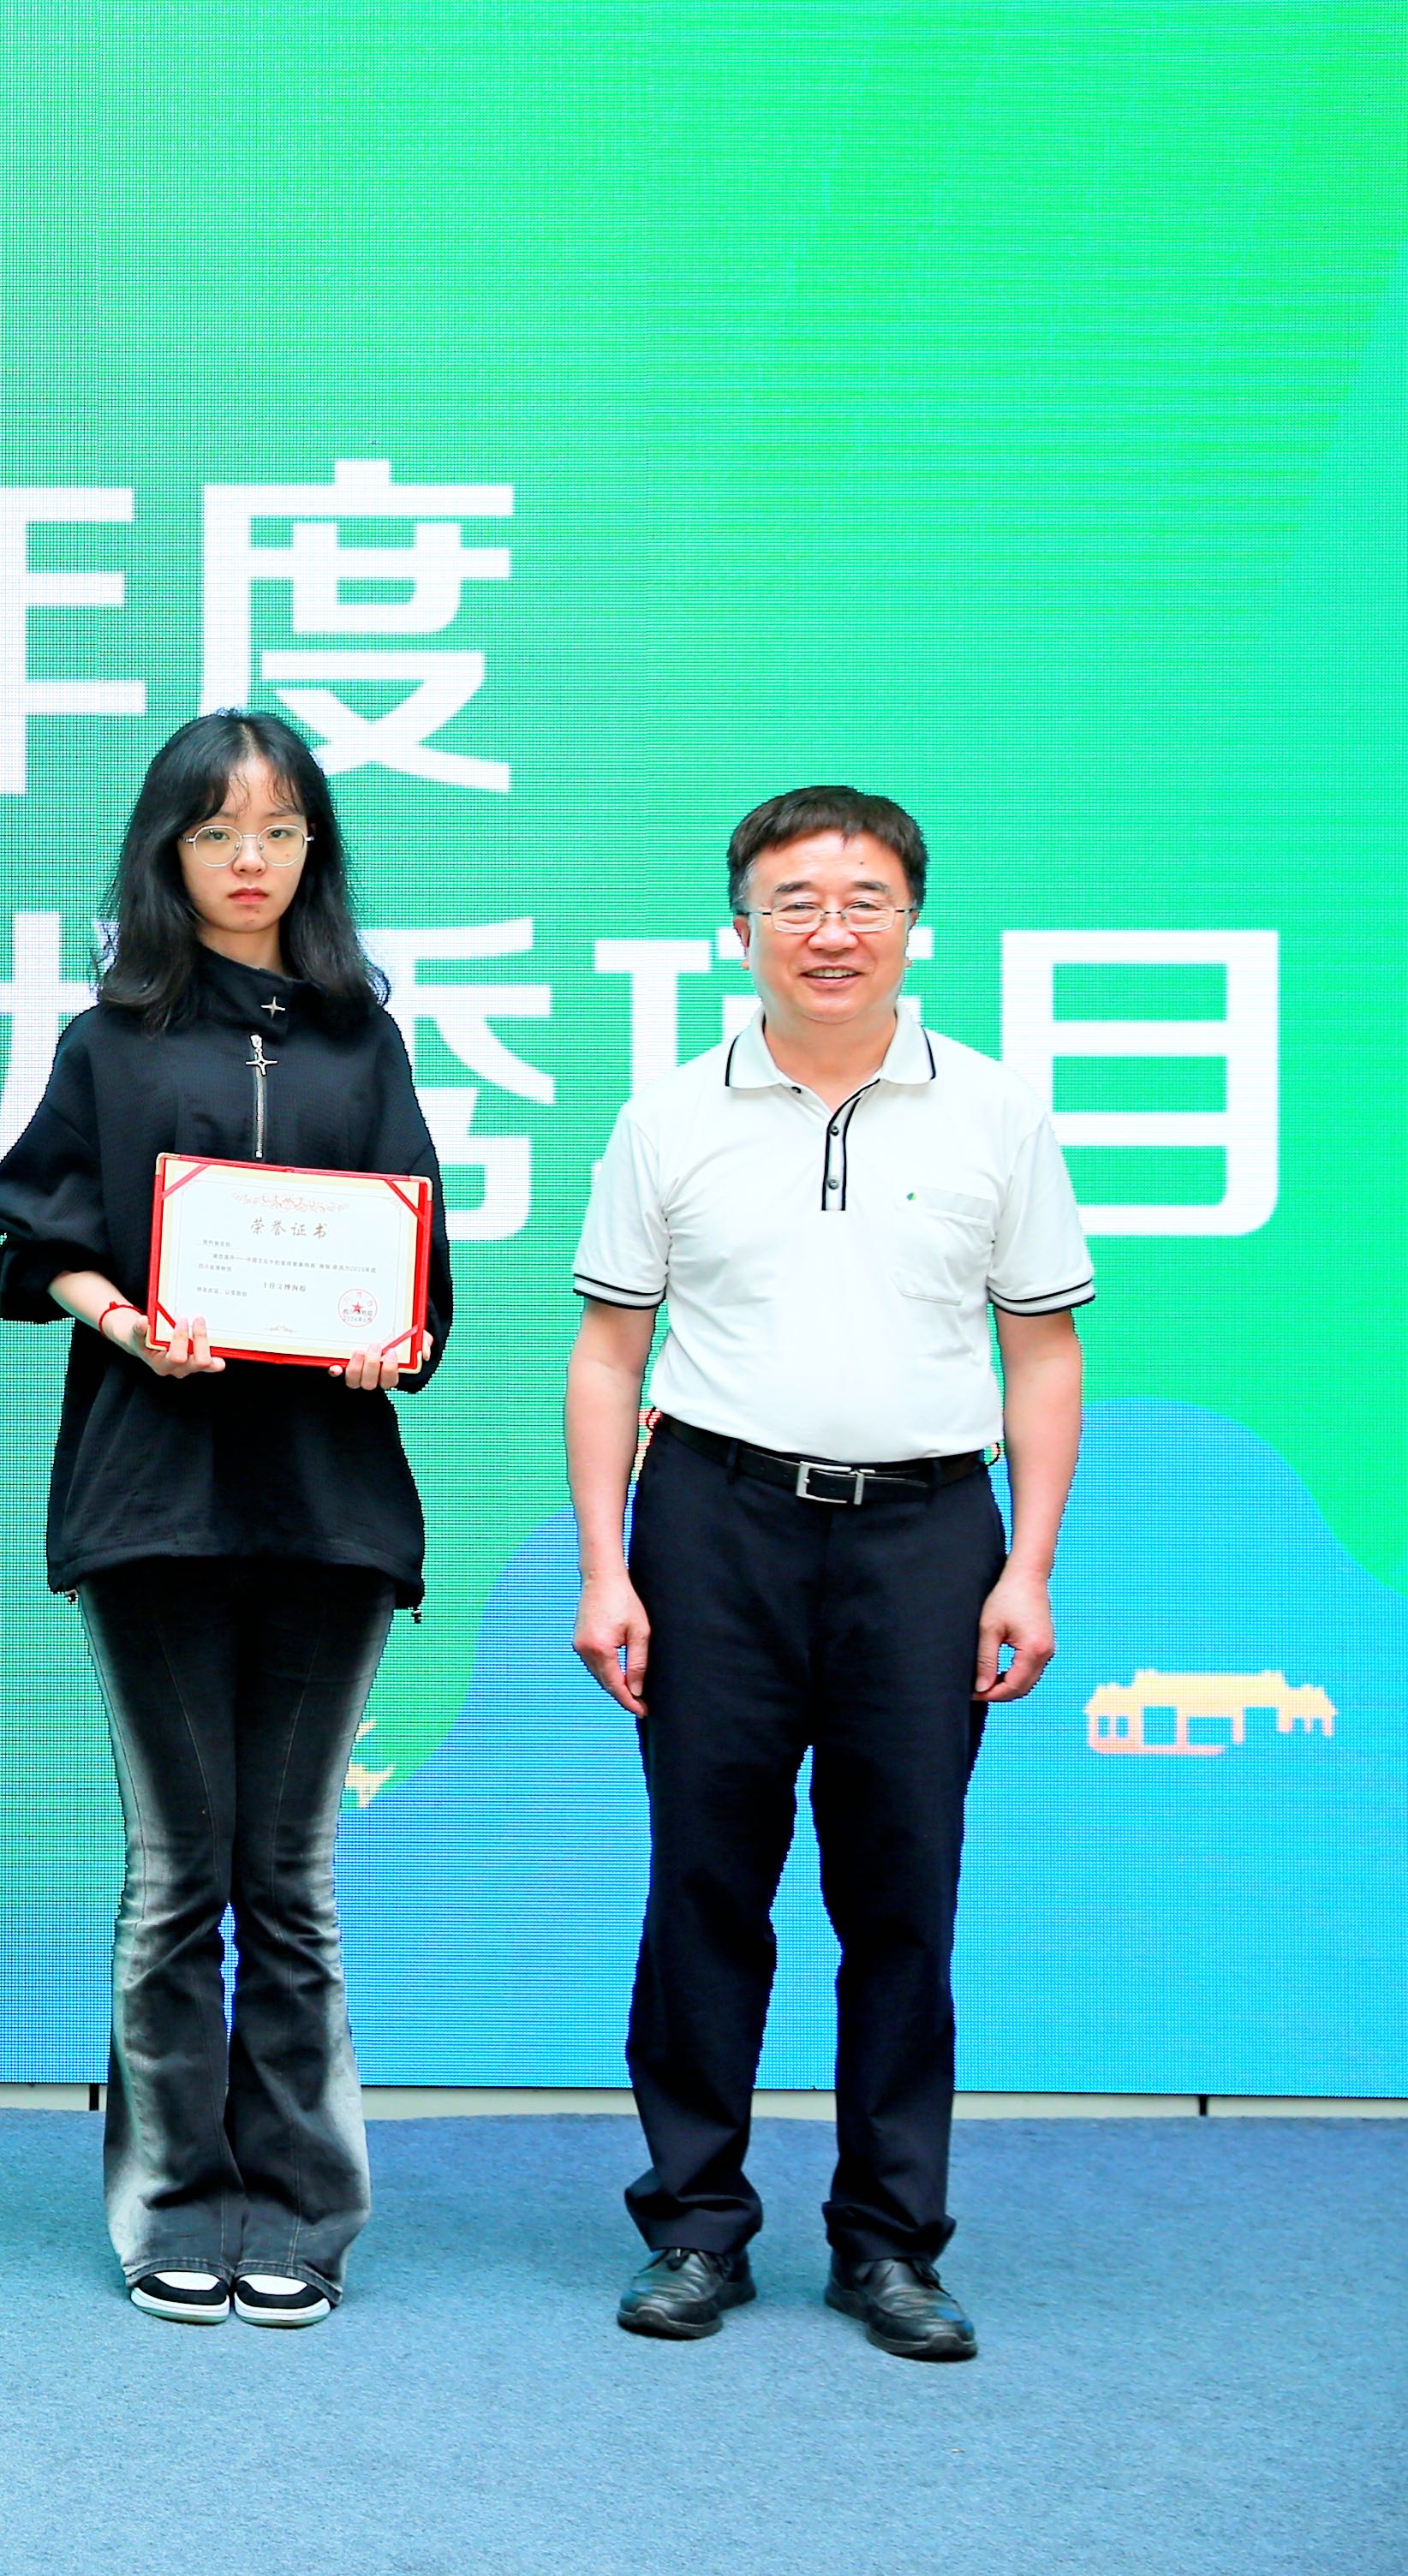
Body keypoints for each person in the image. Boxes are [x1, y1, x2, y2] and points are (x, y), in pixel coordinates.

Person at [567, 786, 1087, 2363]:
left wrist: (1029, 1565)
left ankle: (890, 2243)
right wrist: (606, 1566)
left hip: (929, 1537)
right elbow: (610, 1353)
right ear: (740, 932)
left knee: (903, 1895)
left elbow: (1042, 1350)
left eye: (865, 900)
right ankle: (696, 2226)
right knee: (705, 1884)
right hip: (714, 1527)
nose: (831, 930)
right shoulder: (671, 1115)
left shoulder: (995, 1111)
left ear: (915, 925)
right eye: (794, 902)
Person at [0, 709, 455, 2332]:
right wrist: (129, 1322)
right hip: (155, 1501)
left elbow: (419, 1272)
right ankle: (175, 2203)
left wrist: (393, 1332)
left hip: (328, 1506)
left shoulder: (362, 1041)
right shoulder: (109, 1042)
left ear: (315, 851)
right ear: (166, 853)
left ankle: (303, 2212)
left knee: (293, 1879)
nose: (250, 862)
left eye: (279, 831)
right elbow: (39, 1242)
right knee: (180, 1873)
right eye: (216, 833)